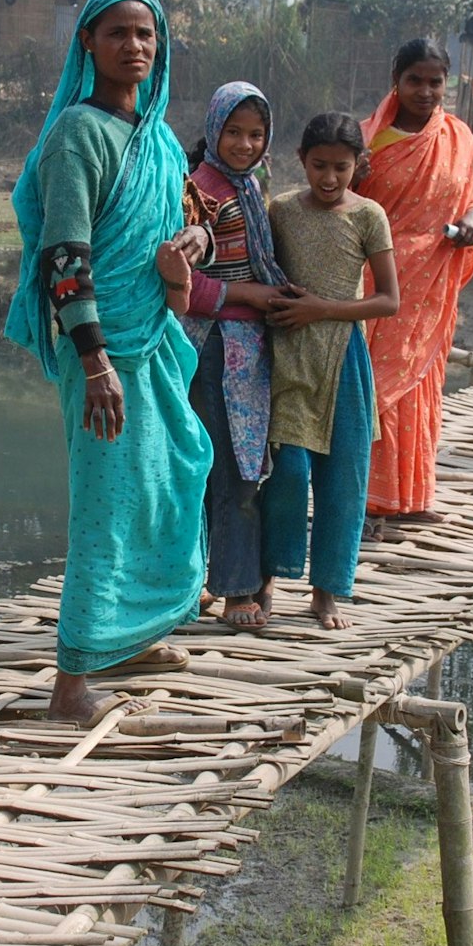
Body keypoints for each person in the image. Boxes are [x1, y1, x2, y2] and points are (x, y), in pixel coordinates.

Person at [6, 0, 215, 726]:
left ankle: (131, 637)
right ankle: (71, 686)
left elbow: (193, 223)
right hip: (101, 351)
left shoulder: (159, 138)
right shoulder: (78, 134)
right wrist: (95, 363)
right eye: (119, 33)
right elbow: (65, 254)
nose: (135, 46)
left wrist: (195, 242)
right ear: (87, 44)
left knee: (168, 481)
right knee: (106, 506)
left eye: (147, 34)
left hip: (154, 342)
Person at [257, 112, 400, 630]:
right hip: (290, 355)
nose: (330, 178)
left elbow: (388, 300)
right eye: (319, 165)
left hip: (345, 357)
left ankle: (326, 592)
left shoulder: (369, 216)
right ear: (302, 160)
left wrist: (322, 309)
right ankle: (266, 580)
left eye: (342, 167)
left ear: (359, 163)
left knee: (343, 480)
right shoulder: (281, 210)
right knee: (287, 474)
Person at [356, 38, 473, 534]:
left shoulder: (458, 137)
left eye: (435, 82)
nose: (425, 91)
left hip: (433, 284)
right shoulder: (368, 140)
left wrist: (472, 219)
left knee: (422, 389)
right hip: (381, 281)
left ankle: (412, 497)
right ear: (397, 80)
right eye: (415, 80)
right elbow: (339, 199)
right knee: (378, 388)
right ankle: (368, 500)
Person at [183, 82, 291, 629]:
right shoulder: (201, 190)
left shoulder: (249, 184)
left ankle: (212, 580)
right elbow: (188, 284)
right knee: (230, 469)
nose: (245, 144)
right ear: (213, 130)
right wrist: (254, 294)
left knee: (239, 466)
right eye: (233, 132)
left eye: (256, 134)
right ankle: (234, 590)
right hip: (217, 346)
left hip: (249, 346)